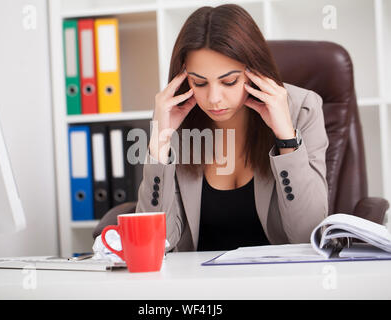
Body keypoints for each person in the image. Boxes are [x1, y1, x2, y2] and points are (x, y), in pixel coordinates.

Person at [135, 4, 329, 252]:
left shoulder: (301, 108)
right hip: (197, 284)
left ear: (254, 72)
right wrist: (160, 143)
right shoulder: (174, 116)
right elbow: (154, 243)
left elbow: (309, 234)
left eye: (229, 81)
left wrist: (286, 138)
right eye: (199, 82)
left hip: (281, 283)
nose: (214, 98)